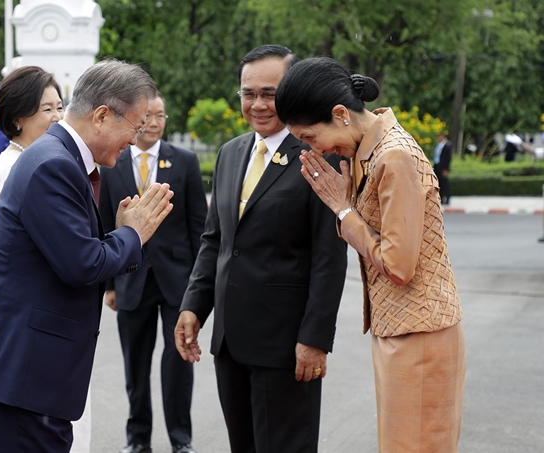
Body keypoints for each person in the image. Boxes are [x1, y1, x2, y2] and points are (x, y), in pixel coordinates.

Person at [0, 59, 175, 453]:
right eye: (135, 126)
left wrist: (119, 235)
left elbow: (72, 252)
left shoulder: (58, 157)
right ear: (103, 116)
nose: (136, 139)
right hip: (21, 377)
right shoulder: (53, 165)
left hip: (30, 377)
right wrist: (133, 234)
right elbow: (82, 265)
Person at [275, 56, 465, 453]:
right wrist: (344, 206)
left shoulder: (392, 156)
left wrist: (343, 210)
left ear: (341, 114)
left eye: (311, 138)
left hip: (421, 334)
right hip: (402, 328)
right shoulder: (371, 151)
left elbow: (398, 264)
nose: (316, 149)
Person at [174, 45, 348, 453]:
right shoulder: (230, 153)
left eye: (269, 93)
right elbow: (214, 240)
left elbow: (329, 257)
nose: (257, 104)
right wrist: (192, 307)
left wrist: (315, 339)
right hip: (230, 343)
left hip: (287, 348)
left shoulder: (319, 154)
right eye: (248, 93)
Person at [99, 92, 208, 453]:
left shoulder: (186, 161)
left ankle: (181, 440)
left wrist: (198, 287)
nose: (155, 122)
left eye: (161, 115)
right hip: (131, 281)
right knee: (136, 366)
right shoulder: (112, 165)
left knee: (178, 362)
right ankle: (138, 439)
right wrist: (109, 285)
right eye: (149, 116)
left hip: (177, 282)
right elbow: (104, 228)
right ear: (136, 119)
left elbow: (199, 229)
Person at [0, 65, 64, 257]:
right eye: (47, 109)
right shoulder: (7, 171)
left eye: (59, 107)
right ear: (18, 119)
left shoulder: (41, 161)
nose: (57, 117)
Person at [433, 131, 452, 205]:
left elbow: (448, 159)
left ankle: (447, 198)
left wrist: (446, 169)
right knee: (439, 183)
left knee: (445, 183)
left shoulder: (447, 145)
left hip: (443, 167)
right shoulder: (438, 145)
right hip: (437, 165)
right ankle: (440, 198)